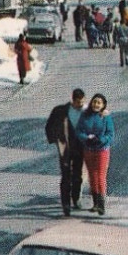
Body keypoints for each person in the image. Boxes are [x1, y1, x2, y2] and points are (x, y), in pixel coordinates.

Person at [43, 88, 88, 217]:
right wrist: (55, 140)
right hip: (66, 148)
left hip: (80, 147)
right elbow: (49, 126)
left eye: (82, 102)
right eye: (79, 102)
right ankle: (66, 204)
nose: (81, 105)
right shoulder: (60, 111)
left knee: (78, 175)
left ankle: (75, 198)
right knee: (66, 176)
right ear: (73, 100)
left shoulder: (86, 112)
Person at [77, 93, 115, 215]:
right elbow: (79, 131)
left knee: (101, 176)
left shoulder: (106, 117)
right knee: (92, 177)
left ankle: (102, 204)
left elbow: (110, 134)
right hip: (89, 150)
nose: (96, 104)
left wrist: (101, 140)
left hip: (102, 150)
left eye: (99, 102)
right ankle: (95, 203)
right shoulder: (85, 116)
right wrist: (86, 138)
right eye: (94, 102)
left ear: (103, 105)